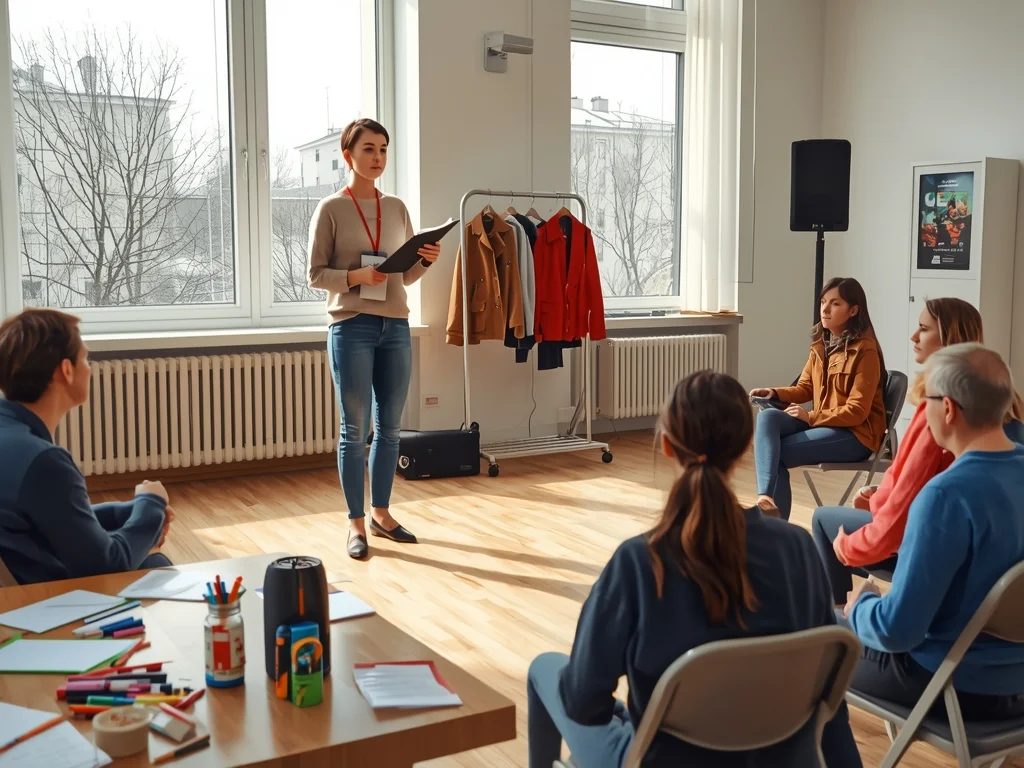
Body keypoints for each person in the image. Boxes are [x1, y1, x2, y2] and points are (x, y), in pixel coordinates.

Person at [526, 371, 862, 768]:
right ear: (744, 448)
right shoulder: (798, 549)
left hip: (663, 760)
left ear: (668, 446)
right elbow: (826, 688)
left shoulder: (638, 562)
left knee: (544, 669)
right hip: (783, 757)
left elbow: (584, 704)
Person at [845, 344, 1024, 720]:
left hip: (953, 684)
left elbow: (898, 631)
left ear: (948, 409)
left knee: (817, 638)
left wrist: (860, 605)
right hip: (1016, 684)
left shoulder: (945, 496)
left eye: (925, 401)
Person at [812, 298, 1024, 605]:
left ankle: (843, 620)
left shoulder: (937, 414)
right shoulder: (1010, 408)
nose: (913, 337)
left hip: (929, 548)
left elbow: (904, 511)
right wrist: (883, 495)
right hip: (988, 564)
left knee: (823, 521)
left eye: (923, 329)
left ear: (949, 339)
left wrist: (847, 547)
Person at [307, 118, 442, 560]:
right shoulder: (330, 208)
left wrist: (426, 260)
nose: (378, 157)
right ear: (348, 155)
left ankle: (382, 514)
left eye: (383, 149)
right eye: (368, 149)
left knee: (391, 428)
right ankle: (355, 524)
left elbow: (404, 276)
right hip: (351, 326)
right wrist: (354, 276)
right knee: (354, 430)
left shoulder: (398, 208)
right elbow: (314, 275)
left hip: (395, 326)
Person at [0, 309, 173, 585]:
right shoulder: (43, 462)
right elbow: (107, 565)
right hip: (39, 605)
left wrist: (123, 512)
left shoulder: (11, 438)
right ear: (66, 370)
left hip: (16, 586)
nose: (89, 368)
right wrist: (152, 502)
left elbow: (49, 519)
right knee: (156, 565)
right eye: (86, 359)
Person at [750, 277, 886, 520]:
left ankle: (775, 528)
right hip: (824, 424)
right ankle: (766, 498)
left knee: (775, 453)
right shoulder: (821, 346)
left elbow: (858, 410)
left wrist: (810, 416)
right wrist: (774, 393)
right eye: (823, 302)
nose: (825, 309)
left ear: (853, 310)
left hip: (855, 435)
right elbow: (805, 388)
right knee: (769, 416)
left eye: (835, 304)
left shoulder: (865, 350)